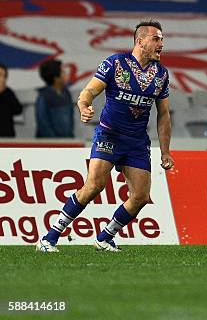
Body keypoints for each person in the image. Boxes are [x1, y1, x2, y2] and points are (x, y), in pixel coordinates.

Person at [37, 19, 174, 253]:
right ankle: (49, 237)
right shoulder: (115, 63)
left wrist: (165, 151)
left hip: (136, 141)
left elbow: (163, 115)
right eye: (156, 38)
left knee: (141, 197)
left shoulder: (161, 74)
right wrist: (84, 105)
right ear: (140, 41)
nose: (162, 43)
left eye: (162, 38)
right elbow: (89, 90)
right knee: (94, 186)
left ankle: (105, 237)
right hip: (109, 135)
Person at [35, 59, 74, 138]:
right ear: (56, 77)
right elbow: (43, 122)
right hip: (48, 143)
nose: (66, 74)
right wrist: (54, 140)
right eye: (63, 72)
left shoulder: (66, 94)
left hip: (67, 141)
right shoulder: (44, 96)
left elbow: (71, 118)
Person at [0, 63, 23, 137]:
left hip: (7, 135)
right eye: (0, 75)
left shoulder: (8, 92)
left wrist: (3, 93)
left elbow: (18, 110)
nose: (2, 79)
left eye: (4, 76)